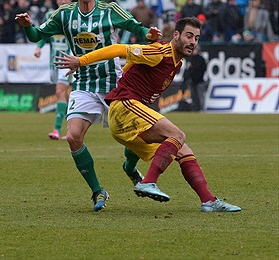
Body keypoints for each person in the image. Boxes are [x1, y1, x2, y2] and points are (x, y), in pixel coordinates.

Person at [15, 0, 162, 212]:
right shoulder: (64, 15)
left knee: (139, 135)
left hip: (114, 84)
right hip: (84, 83)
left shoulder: (110, 10)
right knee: (72, 137)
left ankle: (129, 166)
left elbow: (136, 27)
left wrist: (149, 34)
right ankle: (98, 191)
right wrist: (28, 25)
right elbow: (37, 36)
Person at [56, 17, 241, 213]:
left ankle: (208, 201)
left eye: (196, 38)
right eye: (188, 36)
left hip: (127, 115)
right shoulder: (159, 52)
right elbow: (119, 49)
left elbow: (131, 67)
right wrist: (81, 61)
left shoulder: (177, 61)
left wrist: (126, 73)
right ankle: (148, 182)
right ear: (176, 35)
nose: (193, 42)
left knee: (184, 150)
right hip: (125, 106)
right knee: (177, 136)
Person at [34, 0, 74, 140]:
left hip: (69, 60)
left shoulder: (73, 16)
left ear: (70, 1)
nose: (63, 1)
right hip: (54, 62)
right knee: (64, 95)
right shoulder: (49, 16)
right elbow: (44, 34)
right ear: (57, 1)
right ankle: (71, 129)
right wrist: (38, 47)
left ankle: (56, 129)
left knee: (59, 92)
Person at [184, 45, 208, 112]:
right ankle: (195, 108)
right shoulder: (191, 59)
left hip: (199, 81)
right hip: (192, 81)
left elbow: (202, 70)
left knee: (200, 96)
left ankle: (201, 109)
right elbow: (188, 70)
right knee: (193, 96)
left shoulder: (201, 59)